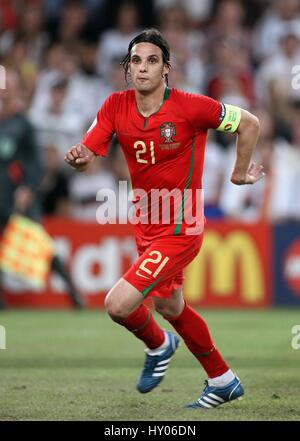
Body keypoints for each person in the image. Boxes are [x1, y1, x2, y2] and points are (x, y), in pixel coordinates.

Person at [65, 29, 264, 409]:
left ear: (166, 69)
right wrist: (79, 160)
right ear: (127, 68)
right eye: (135, 61)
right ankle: (223, 380)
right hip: (146, 224)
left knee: (117, 304)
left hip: (181, 226)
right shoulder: (113, 106)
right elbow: (89, 153)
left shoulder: (191, 107)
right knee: (172, 307)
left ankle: (158, 345)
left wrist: (238, 174)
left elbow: (249, 123)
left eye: (151, 61)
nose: (142, 68)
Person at [0, 68, 84, 310]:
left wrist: (28, 187)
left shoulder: (21, 123)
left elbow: (34, 161)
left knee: (40, 242)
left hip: (16, 195)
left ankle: (72, 290)